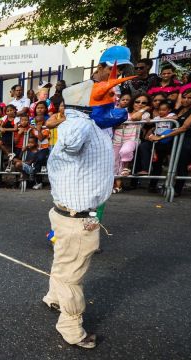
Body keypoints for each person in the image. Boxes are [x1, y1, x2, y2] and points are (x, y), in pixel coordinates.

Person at [44, 45, 135, 349]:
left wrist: (96, 117)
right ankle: (71, 327)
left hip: (67, 213)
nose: (114, 94)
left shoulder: (94, 123)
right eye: (107, 94)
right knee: (73, 274)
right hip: (77, 220)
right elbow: (70, 142)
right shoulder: (79, 124)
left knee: (62, 262)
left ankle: (53, 298)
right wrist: (82, 115)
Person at [148, 88, 191, 197]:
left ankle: (177, 190)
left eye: (189, 98)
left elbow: (184, 127)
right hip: (175, 140)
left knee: (181, 165)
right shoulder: (179, 109)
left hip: (188, 141)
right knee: (169, 162)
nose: (186, 100)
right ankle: (164, 185)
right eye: (184, 97)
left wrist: (161, 137)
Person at [112, 93, 150, 193]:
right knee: (114, 164)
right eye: (137, 101)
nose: (140, 104)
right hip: (117, 139)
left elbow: (134, 118)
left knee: (125, 151)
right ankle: (117, 186)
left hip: (131, 140)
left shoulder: (145, 114)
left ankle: (126, 167)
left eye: (144, 103)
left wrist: (143, 109)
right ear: (133, 102)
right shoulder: (124, 111)